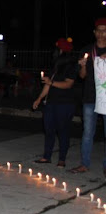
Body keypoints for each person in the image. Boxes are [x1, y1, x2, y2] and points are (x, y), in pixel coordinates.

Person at [32, 38, 77, 167]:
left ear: (61, 50)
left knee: (63, 131)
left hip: (65, 103)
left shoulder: (71, 65)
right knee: (49, 130)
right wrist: (39, 98)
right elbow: (48, 84)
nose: (54, 52)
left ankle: (62, 159)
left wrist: (51, 82)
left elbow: (68, 84)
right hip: (51, 103)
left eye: (57, 49)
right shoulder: (56, 66)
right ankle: (47, 156)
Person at [71, 18, 106, 174]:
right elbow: (82, 76)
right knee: (87, 132)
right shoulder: (87, 50)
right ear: (94, 32)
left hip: (105, 97)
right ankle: (84, 163)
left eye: (104, 30)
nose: (101, 34)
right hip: (90, 97)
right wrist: (83, 66)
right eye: (98, 30)